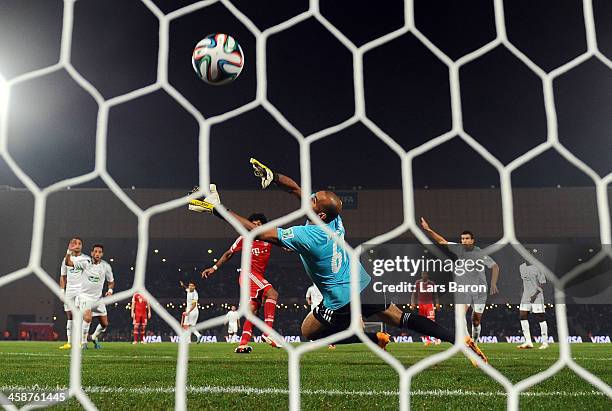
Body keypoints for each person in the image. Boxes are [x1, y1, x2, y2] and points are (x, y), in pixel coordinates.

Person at [188, 159, 487, 364]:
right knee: (401, 317)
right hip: (364, 284)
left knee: (308, 332)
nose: (311, 198)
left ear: (318, 213)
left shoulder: (306, 235)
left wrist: (217, 208)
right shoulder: (334, 222)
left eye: (314, 200)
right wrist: (274, 177)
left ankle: (369, 338)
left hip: (341, 300)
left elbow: (253, 231)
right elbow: (296, 190)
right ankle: (458, 340)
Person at [420, 218, 500, 344]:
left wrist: (493, 283)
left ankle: (475, 340)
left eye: (467, 238)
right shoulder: (458, 249)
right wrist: (428, 230)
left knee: (476, 321)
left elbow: (495, 266)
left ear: (472, 240)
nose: (464, 241)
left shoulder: (479, 253)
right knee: (459, 312)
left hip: (479, 290)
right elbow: (441, 241)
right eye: (462, 239)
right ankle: (468, 341)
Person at [65, 242, 114, 349]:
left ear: (102, 254)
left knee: (104, 324)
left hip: (98, 299)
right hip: (84, 297)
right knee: (88, 318)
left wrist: (110, 291)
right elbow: (68, 263)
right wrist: (69, 251)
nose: (97, 253)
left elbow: (111, 281)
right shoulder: (85, 263)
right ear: (92, 253)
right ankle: (83, 342)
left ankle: (94, 337)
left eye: (100, 252)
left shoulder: (106, 266)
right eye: (95, 251)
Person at [58, 237, 90, 349]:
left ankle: (82, 342)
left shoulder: (85, 259)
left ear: (82, 246)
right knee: (70, 316)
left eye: (79, 243)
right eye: (74, 243)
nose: (77, 245)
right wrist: (62, 291)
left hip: (81, 290)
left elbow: (70, 263)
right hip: (69, 291)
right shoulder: (65, 260)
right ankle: (69, 343)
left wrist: (68, 251)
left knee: (80, 315)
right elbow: (63, 276)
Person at [517, 257, 549, 349]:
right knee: (522, 315)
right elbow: (523, 281)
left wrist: (535, 294)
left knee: (540, 317)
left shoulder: (538, 267)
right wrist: (522, 292)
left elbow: (542, 283)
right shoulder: (521, 267)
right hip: (526, 296)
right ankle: (528, 342)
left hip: (537, 296)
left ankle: (545, 342)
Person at [410, 271, 441, 345]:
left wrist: (437, 303)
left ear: (428, 275)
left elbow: (435, 294)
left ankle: (436, 338)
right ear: (421, 275)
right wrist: (412, 302)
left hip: (429, 304)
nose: (424, 275)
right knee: (424, 323)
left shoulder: (431, 283)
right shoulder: (418, 282)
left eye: (425, 274)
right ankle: (427, 340)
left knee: (432, 322)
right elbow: (413, 293)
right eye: (422, 274)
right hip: (421, 305)